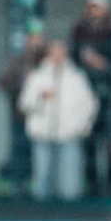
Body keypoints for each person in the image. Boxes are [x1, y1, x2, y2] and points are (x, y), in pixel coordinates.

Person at [20, 39, 99, 201]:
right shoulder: (37, 77)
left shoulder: (77, 78)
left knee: (70, 181)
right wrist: (40, 97)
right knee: (42, 179)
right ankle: (41, 212)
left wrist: (82, 126)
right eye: (53, 53)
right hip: (42, 136)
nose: (57, 56)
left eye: (61, 53)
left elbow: (90, 105)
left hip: (69, 136)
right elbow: (24, 105)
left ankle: (70, 213)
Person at [71, 0, 111, 197]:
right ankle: (92, 184)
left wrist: (102, 64)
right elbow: (73, 59)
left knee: (110, 141)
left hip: (109, 93)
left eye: (98, 7)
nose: (94, 11)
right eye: (91, 7)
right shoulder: (78, 33)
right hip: (85, 93)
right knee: (89, 139)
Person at [0, 26, 48, 192]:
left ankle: (41, 190)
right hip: (20, 119)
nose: (36, 43)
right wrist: (21, 83)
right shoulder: (17, 62)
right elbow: (3, 82)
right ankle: (19, 188)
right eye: (32, 39)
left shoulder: (48, 63)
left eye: (39, 38)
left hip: (44, 120)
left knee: (40, 157)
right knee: (20, 154)